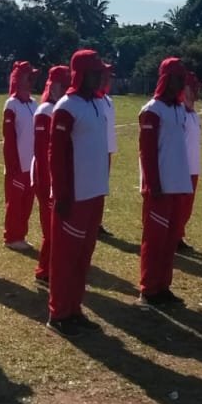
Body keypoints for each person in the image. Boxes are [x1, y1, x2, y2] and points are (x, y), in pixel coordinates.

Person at [47, 49, 112, 336]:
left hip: (95, 192)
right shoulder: (66, 106)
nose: (100, 77)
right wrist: (61, 194)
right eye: (96, 73)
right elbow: (56, 154)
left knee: (83, 256)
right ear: (81, 74)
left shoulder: (97, 103)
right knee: (65, 258)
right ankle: (59, 313)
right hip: (74, 196)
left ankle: (74, 308)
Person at [136, 57, 191, 308]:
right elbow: (146, 152)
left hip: (178, 185)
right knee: (155, 240)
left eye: (182, 79)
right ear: (166, 80)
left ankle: (163, 286)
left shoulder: (179, 109)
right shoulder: (152, 110)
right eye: (177, 78)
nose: (180, 84)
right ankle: (149, 289)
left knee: (170, 241)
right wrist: (152, 185)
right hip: (160, 188)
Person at [31, 65, 70, 287]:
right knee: (51, 227)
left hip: (56, 177)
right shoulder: (45, 111)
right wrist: (50, 182)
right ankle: (44, 270)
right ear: (52, 86)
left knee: (58, 227)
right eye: (61, 85)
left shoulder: (61, 108)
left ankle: (54, 268)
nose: (65, 89)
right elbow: (41, 152)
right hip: (45, 176)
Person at [1, 61, 40, 251]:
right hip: (17, 165)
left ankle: (21, 235)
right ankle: (11, 237)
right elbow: (8, 138)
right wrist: (12, 165)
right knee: (15, 203)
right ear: (18, 79)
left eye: (32, 76)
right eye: (27, 76)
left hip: (31, 165)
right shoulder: (12, 104)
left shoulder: (34, 103)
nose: (31, 80)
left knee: (27, 203)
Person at [176, 71, 202, 255]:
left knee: (187, 207)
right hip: (182, 168)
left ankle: (178, 235)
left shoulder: (193, 114)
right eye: (190, 87)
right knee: (179, 205)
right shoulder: (179, 112)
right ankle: (174, 236)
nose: (194, 90)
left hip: (193, 167)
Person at [97, 66, 117, 238]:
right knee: (94, 187)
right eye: (104, 76)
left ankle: (97, 221)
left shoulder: (108, 100)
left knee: (102, 187)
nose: (107, 80)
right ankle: (92, 221)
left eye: (109, 77)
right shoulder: (94, 99)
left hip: (107, 150)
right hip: (96, 151)